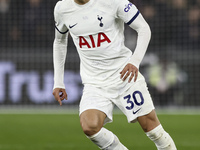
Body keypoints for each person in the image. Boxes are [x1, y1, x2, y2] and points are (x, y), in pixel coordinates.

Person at [52, 0, 177, 149]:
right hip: (94, 82)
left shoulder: (112, 2)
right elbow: (59, 42)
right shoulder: (62, 8)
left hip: (124, 76)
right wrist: (58, 82)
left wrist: (134, 61)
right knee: (89, 127)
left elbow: (144, 28)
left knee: (153, 130)